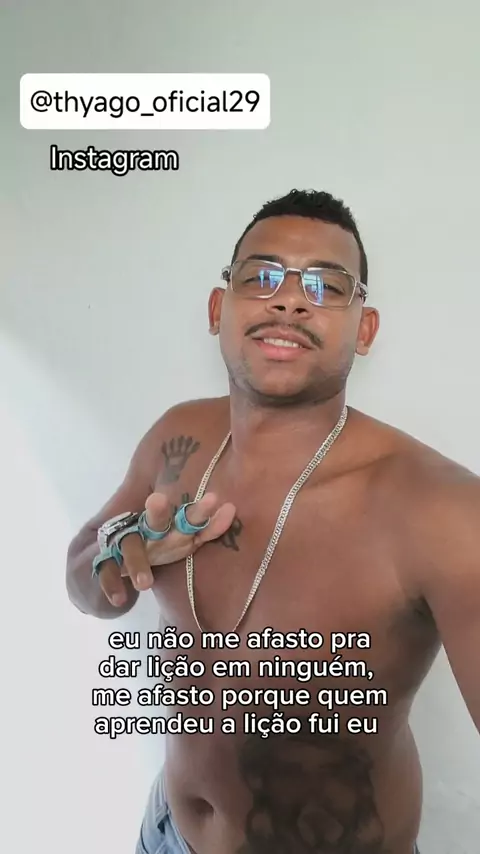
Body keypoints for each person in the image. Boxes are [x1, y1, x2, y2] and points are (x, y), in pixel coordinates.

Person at [66, 189, 480, 854]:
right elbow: (84, 579)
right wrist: (120, 556)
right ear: (218, 310)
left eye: (326, 285)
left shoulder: (441, 509)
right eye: (261, 277)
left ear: (365, 329)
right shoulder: (178, 439)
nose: (289, 300)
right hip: (166, 833)